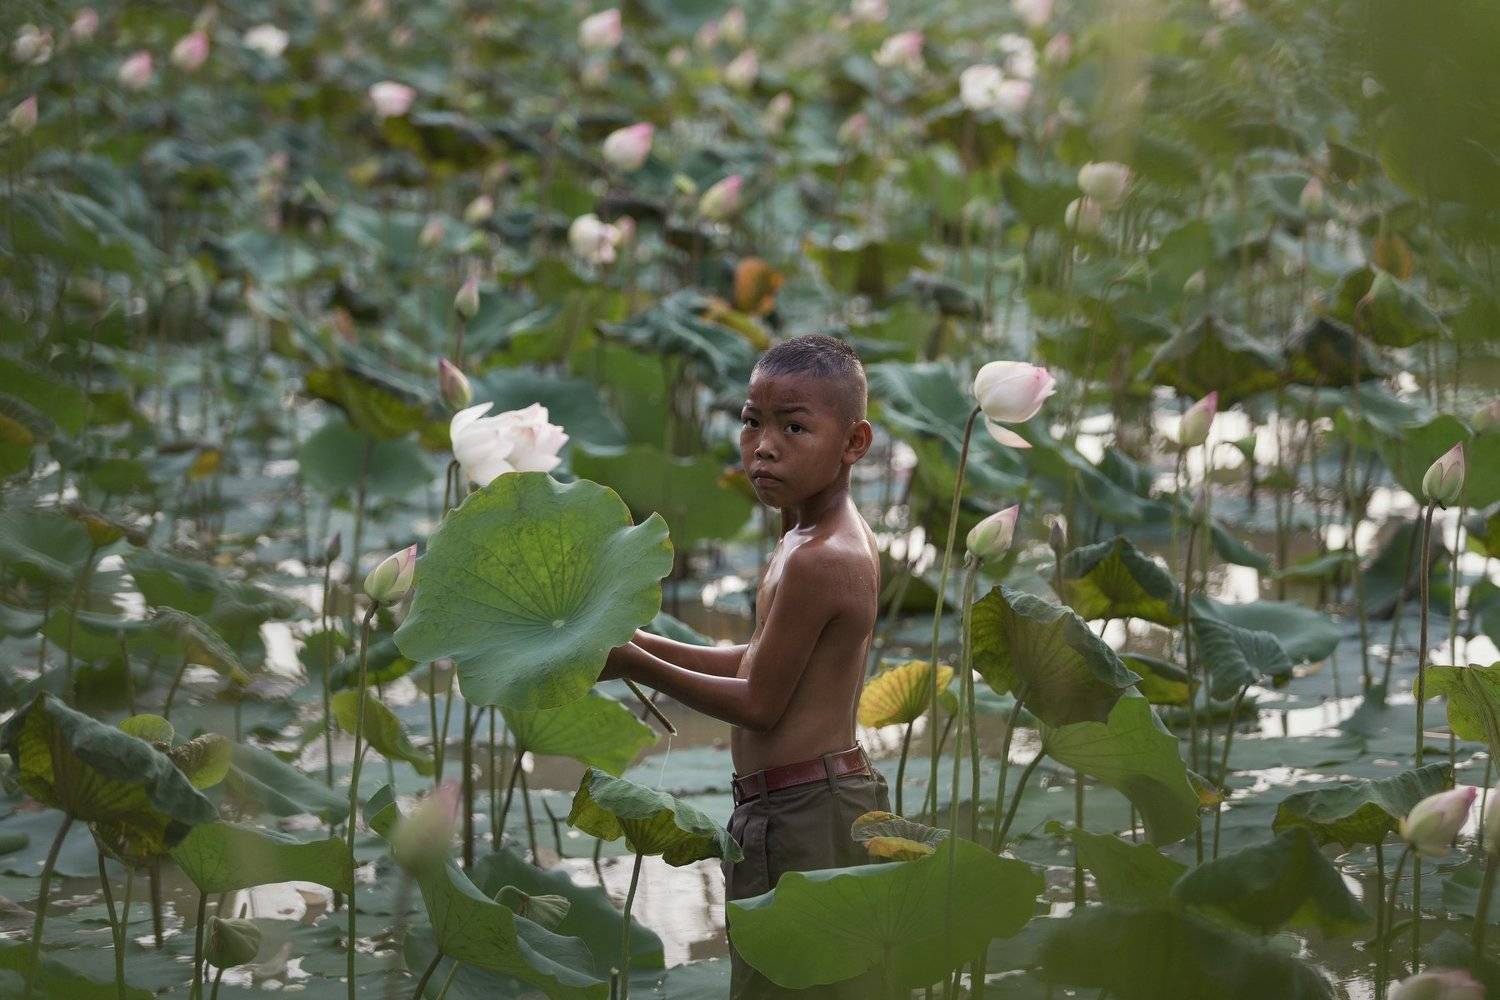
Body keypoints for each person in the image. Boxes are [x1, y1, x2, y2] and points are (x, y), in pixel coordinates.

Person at [600, 333, 889, 997]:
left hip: (804, 814)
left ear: (855, 443)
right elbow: (757, 659)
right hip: (803, 803)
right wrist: (636, 642)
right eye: (752, 422)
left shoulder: (823, 559)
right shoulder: (805, 535)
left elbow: (760, 701)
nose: (764, 445)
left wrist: (634, 664)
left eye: (794, 426)